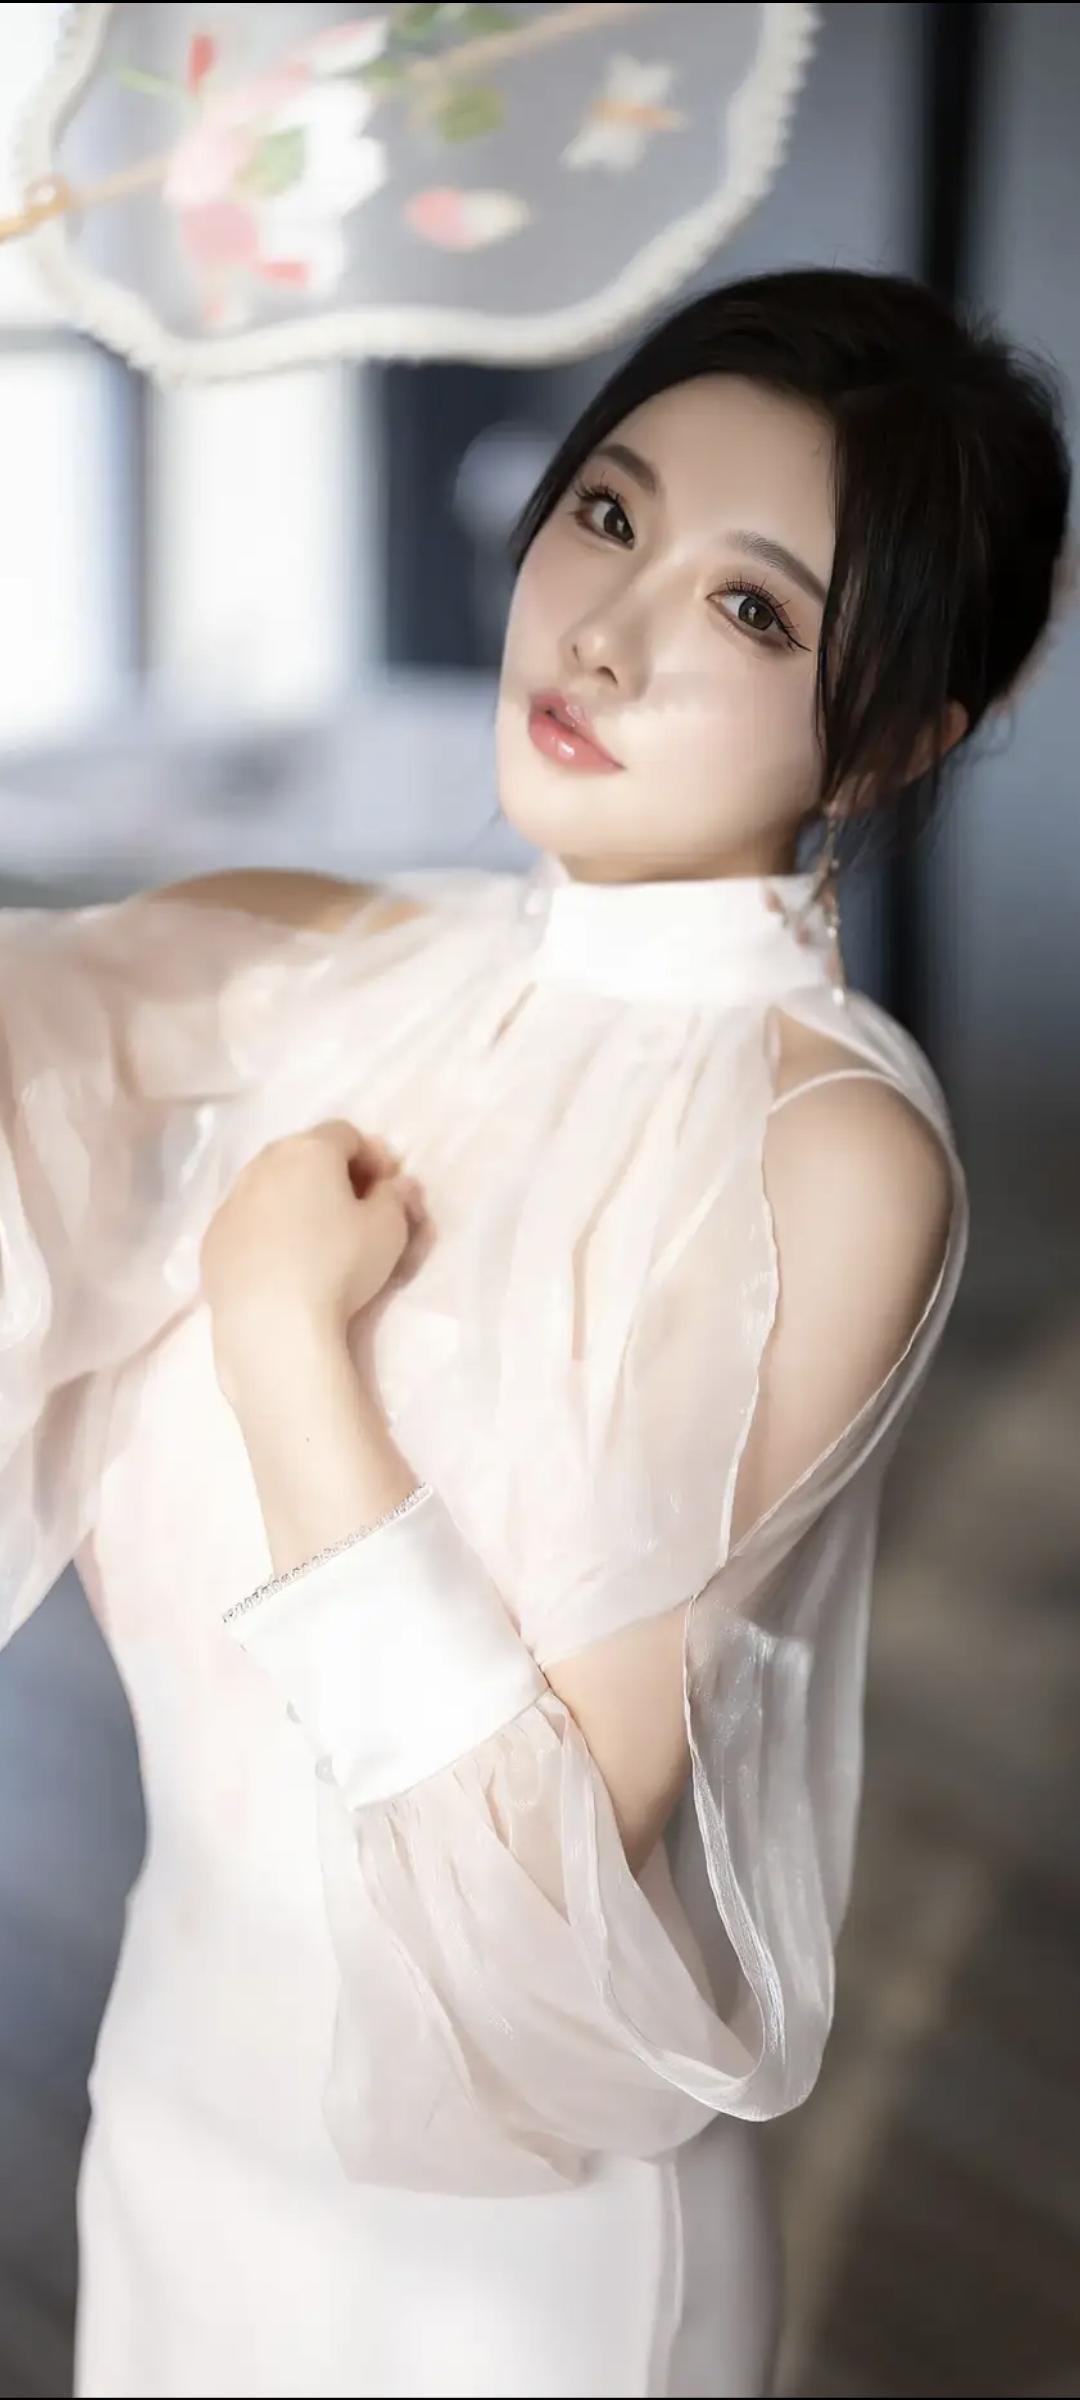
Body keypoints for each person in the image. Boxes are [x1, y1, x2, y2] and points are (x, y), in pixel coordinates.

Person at [0, 267, 1070, 2400]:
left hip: (504, 2259)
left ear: (894, 738)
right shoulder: (340, 957)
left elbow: (544, 1881)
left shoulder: (828, 1151)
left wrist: (281, 1341)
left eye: (748, 606)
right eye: (608, 514)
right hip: (185, 2120)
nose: (606, 630)